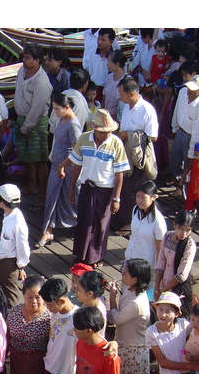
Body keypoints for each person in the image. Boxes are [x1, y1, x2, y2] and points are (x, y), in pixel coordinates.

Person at [66, 109, 129, 268]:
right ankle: (81, 255)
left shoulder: (116, 143)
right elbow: (76, 166)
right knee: (84, 222)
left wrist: (117, 198)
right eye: (103, 132)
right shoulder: (84, 139)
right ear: (95, 129)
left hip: (105, 190)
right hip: (86, 187)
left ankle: (96, 257)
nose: (107, 134)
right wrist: (71, 188)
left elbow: (119, 173)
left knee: (101, 225)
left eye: (109, 131)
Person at [5, 275, 52, 374]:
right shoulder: (15, 312)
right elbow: (8, 336)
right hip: (17, 367)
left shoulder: (49, 318)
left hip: (37, 369)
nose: (33, 301)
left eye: (38, 297)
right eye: (29, 297)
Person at [107, 258, 153, 374]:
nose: (122, 274)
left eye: (125, 273)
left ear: (135, 279)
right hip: (127, 347)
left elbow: (115, 318)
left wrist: (111, 297)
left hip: (133, 352)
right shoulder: (131, 290)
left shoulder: (136, 303)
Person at [115, 76, 159, 235]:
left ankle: (135, 221)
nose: (119, 96)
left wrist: (131, 135)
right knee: (125, 186)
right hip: (125, 151)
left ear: (132, 93)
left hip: (139, 154)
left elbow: (153, 137)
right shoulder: (126, 106)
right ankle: (125, 218)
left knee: (137, 187)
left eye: (121, 93)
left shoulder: (147, 110)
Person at [37, 93, 82, 249]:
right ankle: (48, 229)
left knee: (72, 196)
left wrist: (63, 165)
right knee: (52, 197)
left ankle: (81, 224)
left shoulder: (73, 124)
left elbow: (77, 150)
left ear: (67, 107)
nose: (54, 112)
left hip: (67, 167)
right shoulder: (61, 119)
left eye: (57, 109)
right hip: (58, 165)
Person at [13, 44, 53, 205]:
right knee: (27, 158)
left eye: (28, 58)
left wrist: (26, 127)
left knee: (40, 160)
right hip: (22, 119)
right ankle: (31, 187)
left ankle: (43, 194)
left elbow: (37, 109)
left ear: (37, 61)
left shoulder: (42, 82)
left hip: (36, 123)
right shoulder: (21, 71)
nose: (24, 60)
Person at [0, 183, 30, 308]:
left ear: (2, 202)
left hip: (8, 264)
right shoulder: (9, 215)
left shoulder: (17, 221)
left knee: (12, 296)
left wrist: (21, 266)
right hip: (2, 259)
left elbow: (23, 244)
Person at [154, 210, 196, 318]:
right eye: (181, 229)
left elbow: (181, 275)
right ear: (174, 225)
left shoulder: (189, 245)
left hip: (178, 287)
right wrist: (156, 288)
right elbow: (161, 263)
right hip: (164, 283)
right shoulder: (167, 236)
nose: (184, 233)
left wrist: (162, 291)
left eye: (188, 230)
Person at [124, 180, 167, 273]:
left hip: (145, 265)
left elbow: (160, 248)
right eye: (138, 196)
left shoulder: (158, 222)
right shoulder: (136, 210)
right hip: (131, 257)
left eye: (143, 198)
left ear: (154, 197)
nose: (139, 200)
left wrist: (160, 270)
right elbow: (134, 236)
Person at [75, 270, 108, 335]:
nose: (75, 290)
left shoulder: (95, 316)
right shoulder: (95, 300)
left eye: (78, 289)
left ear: (89, 294)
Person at [102, 49, 128, 120]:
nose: (107, 64)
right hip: (106, 117)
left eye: (109, 62)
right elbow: (104, 97)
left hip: (119, 119)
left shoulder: (127, 80)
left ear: (117, 64)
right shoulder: (109, 77)